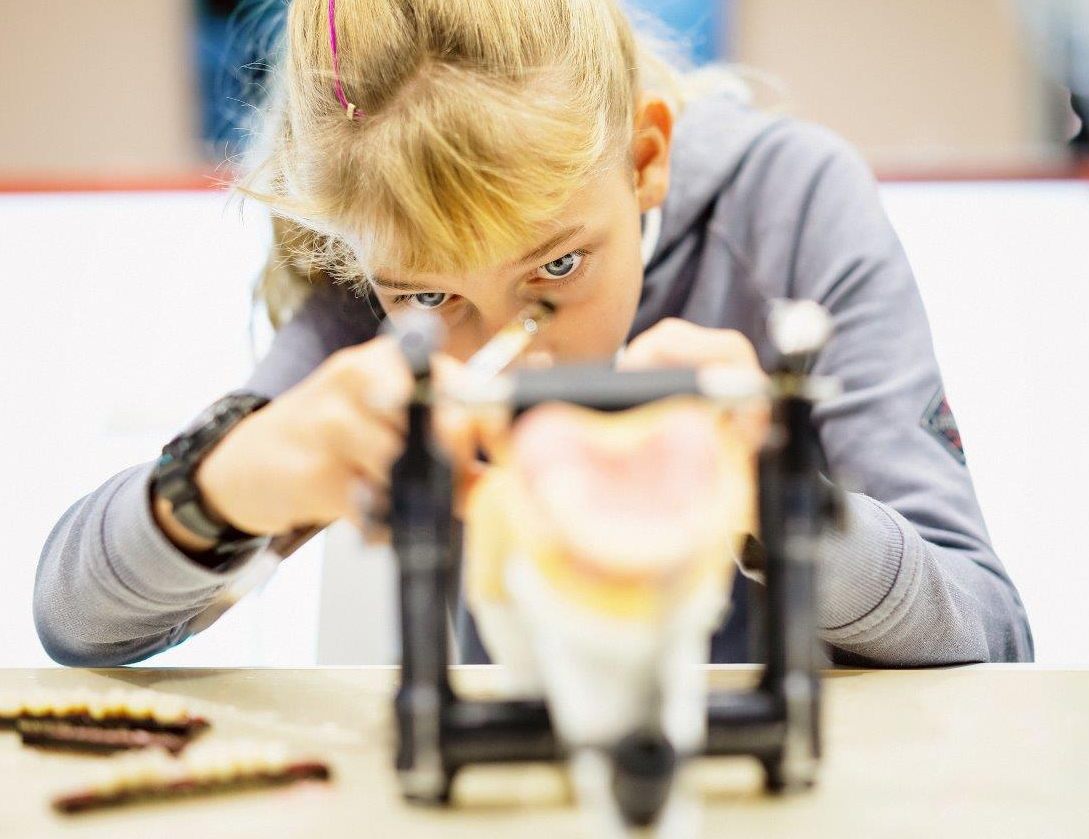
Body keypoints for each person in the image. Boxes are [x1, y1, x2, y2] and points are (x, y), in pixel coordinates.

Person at [34, 0, 1033, 668]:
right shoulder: (376, 276)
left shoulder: (790, 203)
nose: (520, 353)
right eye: (430, 297)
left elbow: (995, 639)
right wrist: (226, 484)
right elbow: (75, 619)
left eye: (557, 267)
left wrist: (781, 500)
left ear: (644, 155)